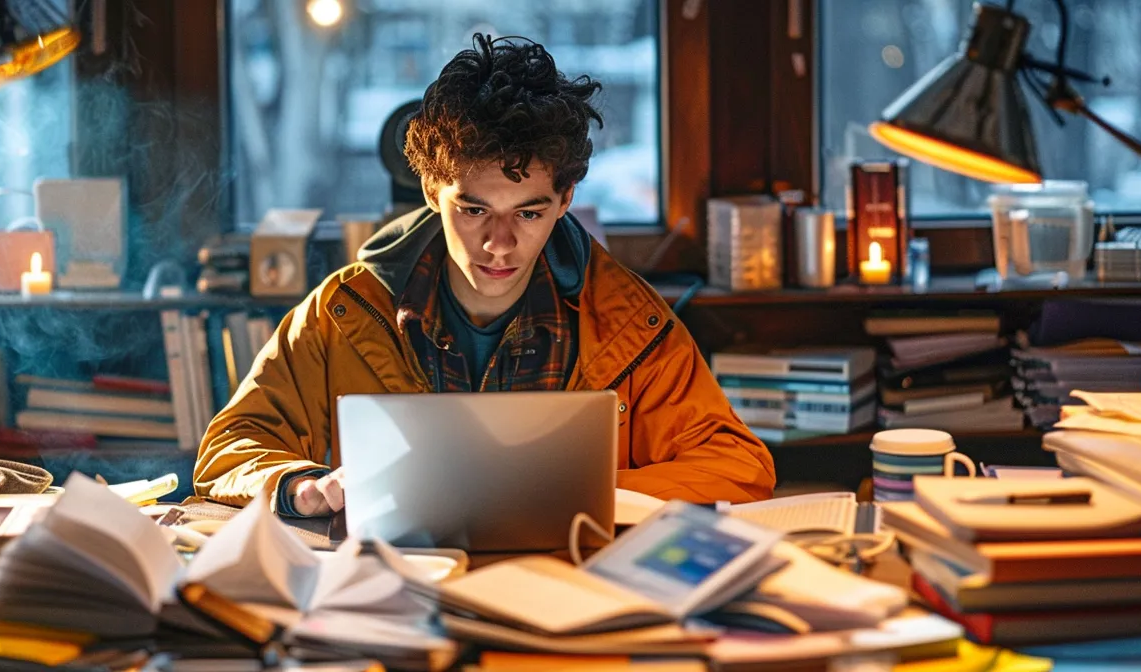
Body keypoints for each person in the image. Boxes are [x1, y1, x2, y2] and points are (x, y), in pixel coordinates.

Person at [195, 34, 774, 516]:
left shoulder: (629, 321)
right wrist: (300, 486)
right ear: (430, 191)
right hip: (398, 589)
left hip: (567, 587)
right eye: (473, 210)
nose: (500, 244)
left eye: (529, 212)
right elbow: (231, 448)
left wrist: (587, 496)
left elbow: (738, 468)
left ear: (566, 198)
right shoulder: (344, 310)